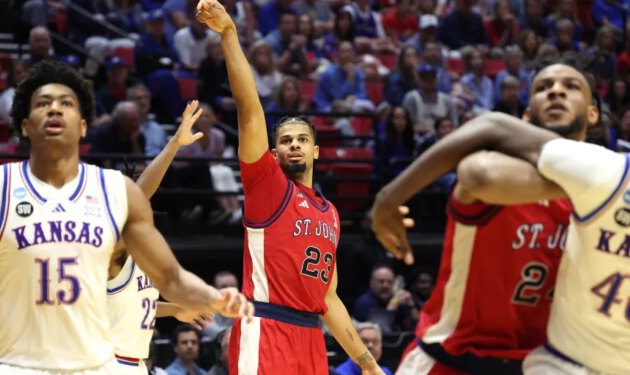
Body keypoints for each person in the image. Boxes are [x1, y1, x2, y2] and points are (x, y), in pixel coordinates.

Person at [0, 60, 254, 373]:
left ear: (83, 125)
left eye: (66, 103)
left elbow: (171, 275)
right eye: (42, 103)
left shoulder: (115, 194)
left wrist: (210, 296)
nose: (54, 109)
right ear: (23, 124)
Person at [371, 57, 630, 374]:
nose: (556, 92)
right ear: (524, 115)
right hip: (453, 360)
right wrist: (595, 186)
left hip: (543, 365)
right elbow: (478, 174)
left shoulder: (608, 186)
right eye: (543, 87)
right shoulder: (498, 165)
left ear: (593, 113)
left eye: (571, 86)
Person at [195, 1, 383, 374]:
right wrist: (230, 35)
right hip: (264, 328)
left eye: (301, 139)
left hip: (310, 337)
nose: (293, 144)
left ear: (315, 150)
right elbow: (249, 109)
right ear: (274, 151)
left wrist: (368, 364)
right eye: (285, 140)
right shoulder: (267, 184)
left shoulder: (330, 213)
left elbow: (329, 299)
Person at [109, 100, 217, 373]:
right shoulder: (114, 247)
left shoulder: (143, 253)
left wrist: (177, 309)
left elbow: (136, 305)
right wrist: (174, 145)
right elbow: (140, 194)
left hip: (133, 362)